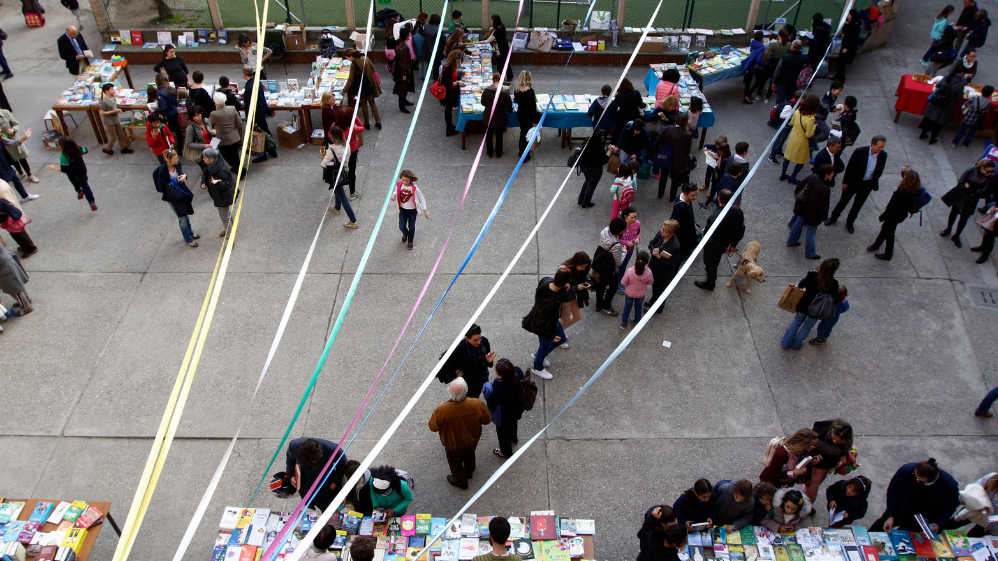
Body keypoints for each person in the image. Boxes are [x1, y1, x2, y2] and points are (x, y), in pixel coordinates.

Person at [428, 377, 492, 490]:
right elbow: (487, 420)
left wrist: (438, 408)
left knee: (455, 464)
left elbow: (433, 427)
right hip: (472, 441)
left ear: (450, 393)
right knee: (470, 456)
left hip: (453, 445)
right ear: (466, 392)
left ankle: (461, 482)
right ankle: (469, 472)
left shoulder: (442, 410)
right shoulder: (477, 404)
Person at [870, 459, 960, 532]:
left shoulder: (949, 486)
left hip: (922, 518)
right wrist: (891, 515)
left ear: (930, 482)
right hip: (900, 509)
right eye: (914, 475)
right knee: (880, 527)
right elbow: (893, 491)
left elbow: (951, 506)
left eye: (920, 480)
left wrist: (937, 523)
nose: (916, 479)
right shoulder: (907, 470)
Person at [826, 135, 888, 233]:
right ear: (872, 144)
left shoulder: (883, 155)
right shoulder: (860, 152)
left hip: (867, 184)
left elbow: (880, 170)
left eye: (883, 146)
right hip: (853, 182)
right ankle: (833, 217)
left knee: (858, 205)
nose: (881, 149)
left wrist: (874, 182)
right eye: (879, 146)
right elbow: (850, 167)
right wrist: (845, 183)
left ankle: (850, 222)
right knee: (844, 201)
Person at [523, 269, 573, 378]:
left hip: (551, 322)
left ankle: (539, 356)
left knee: (562, 339)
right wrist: (550, 336)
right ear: (564, 283)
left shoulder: (546, 281)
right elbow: (540, 322)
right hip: (545, 327)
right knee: (546, 345)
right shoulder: (551, 301)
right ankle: (537, 367)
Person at [781, 259, 840, 349]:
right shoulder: (834, 283)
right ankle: (796, 345)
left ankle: (785, 343)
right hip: (818, 308)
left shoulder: (813, 275)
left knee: (796, 322)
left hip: (804, 304)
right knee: (807, 327)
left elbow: (801, 284)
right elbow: (834, 299)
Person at [867, 166, 922, 260]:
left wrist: (883, 216)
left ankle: (888, 254)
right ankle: (877, 244)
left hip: (893, 216)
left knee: (889, 234)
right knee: (885, 229)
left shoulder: (902, 193)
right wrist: (904, 172)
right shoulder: (914, 190)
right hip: (900, 216)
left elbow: (892, 207)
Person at [695, 189, 745, 291]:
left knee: (710, 264)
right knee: (714, 261)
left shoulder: (714, 217)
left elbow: (708, 237)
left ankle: (710, 284)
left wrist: (722, 247)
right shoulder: (738, 211)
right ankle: (711, 272)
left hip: (714, 248)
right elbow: (741, 229)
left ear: (718, 198)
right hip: (725, 244)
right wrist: (733, 245)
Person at [285, 437, 348, 511]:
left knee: (328, 509)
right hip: (306, 486)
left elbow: (342, 463)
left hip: (326, 486)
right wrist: (291, 475)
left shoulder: (332, 449)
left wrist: (335, 482)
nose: (314, 463)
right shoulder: (294, 446)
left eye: (316, 461)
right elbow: (290, 458)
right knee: (313, 502)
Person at [942, 159, 994, 247]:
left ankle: (957, 235)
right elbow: (961, 182)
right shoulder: (971, 170)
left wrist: (969, 188)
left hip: (971, 200)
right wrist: (973, 190)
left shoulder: (989, 178)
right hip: (962, 196)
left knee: (964, 217)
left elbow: (983, 192)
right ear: (982, 168)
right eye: (988, 171)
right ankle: (948, 228)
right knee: (954, 212)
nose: (990, 173)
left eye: (992, 172)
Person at [153, 149, 199, 248]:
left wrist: (184, 177)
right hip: (172, 196)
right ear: (168, 160)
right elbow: (161, 188)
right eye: (175, 158)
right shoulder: (162, 171)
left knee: (185, 214)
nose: (178, 159)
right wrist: (175, 182)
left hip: (180, 193)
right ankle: (188, 239)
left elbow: (181, 174)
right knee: (182, 217)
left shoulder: (177, 165)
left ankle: (190, 232)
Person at [788, 165, 834, 260]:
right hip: (814, 214)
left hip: (803, 208)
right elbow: (824, 206)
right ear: (826, 175)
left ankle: (791, 241)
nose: (834, 174)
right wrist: (824, 218)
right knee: (811, 234)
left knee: (797, 224)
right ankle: (810, 254)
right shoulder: (825, 188)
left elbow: (799, 186)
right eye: (832, 173)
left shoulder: (812, 177)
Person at [440, 324, 495, 400]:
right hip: (468, 382)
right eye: (475, 340)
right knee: (470, 399)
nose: (479, 342)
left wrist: (489, 361)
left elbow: (488, 364)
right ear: (467, 338)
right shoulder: (459, 347)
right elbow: (443, 358)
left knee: (481, 396)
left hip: (482, 377)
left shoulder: (484, 341)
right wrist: (456, 371)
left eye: (480, 339)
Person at [484, 358, 524, 458]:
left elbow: (491, 403)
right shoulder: (516, 375)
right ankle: (514, 439)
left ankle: (505, 452)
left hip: (504, 415)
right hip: (516, 410)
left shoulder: (500, 389)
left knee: (503, 434)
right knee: (513, 425)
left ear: (499, 374)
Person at [919, 66, 970, 144]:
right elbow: (959, 97)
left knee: (929, 118)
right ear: (963, 73)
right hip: (947, 105)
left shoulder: (947, 77)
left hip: (937, 99)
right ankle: (933, 138)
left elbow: (938, 85)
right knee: (939, 122)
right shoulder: (961, 83)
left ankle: (923, 133)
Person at [45, 135, 95, 211]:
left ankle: (78, 190)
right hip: (82, 170)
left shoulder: (64, 157)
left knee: (72, 177)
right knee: (85, 185)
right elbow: (86, 150)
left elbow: (64, 170)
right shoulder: (79, 149)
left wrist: (53, 168)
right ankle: (91, 202)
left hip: (72, 173)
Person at [322, 126, 358, 229]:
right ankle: (337, 207)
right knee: (338, 190)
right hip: (344, 172)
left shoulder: (331, 149)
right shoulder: (346, 145)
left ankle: (353, 220)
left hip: (334, 176)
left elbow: (323, 164)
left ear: (332, 136)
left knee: (342, 196)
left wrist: (324, 157)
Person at [242, 65, 278, 162]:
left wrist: (253, 120)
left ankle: (262, 154)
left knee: (258, 135)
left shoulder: (249, 88)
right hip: (261, 111)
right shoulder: (257, 82)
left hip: (255, 115)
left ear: (244, 74)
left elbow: (250, 106)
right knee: (266, 131)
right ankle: (272, 149)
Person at [780, 95, 820, 184]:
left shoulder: (798, 110)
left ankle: (783, 174)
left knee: (788, 156)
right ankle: (793, 177)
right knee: (802, 160)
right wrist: (814, 127)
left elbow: (792, 122)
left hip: (794, 136)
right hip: (802, 140)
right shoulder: (811, 118)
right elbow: (808, 134)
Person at [645, 220, 681, 314]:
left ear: (672, 233)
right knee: (654, 287)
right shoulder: (660, 235)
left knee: (660, 291)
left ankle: (657, 308)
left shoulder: (675, 246)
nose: (662, 232)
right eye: (662, 229)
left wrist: (659, 257)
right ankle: (653, 300)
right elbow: (651, 244)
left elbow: (671, 263)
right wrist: (653, 250)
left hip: (664, 273)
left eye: (665, 231)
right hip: (654, 267)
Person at [593, 218, 626, 317]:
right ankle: (606, 307)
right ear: (619, 231)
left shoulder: (605, 231)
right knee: (613, 287)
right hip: (609, 268)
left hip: (600, 262)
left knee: (601, 285)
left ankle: (599, 304)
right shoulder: (616, 244)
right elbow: (619, 262)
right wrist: (624, 251)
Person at [199, 148, 235, 238]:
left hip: (223, 196)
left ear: (211, 159)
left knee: (224, 217)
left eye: (205, 157)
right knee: (227, 214)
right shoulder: (209, 165)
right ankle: (231, 228)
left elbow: (226, 185)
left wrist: (218, 182)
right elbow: (205, 174)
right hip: (219, 195)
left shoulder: (221, 171)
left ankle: (230, 234)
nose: (203, 159)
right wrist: (203, 182)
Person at [342, 49, 381, 131]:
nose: (347, 60)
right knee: (372, 103)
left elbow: (350, 80)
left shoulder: (353, 65)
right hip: (371, 84)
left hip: (362, 87)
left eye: (347, 58)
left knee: (364, 105)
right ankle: (378, 121)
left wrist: (344, 90)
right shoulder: (365, 58)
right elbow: (373, 69)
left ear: (351, 56)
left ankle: (367, 123)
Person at [657, 114, 693, 202]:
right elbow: (687, 149)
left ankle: (660, 194)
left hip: (667, 157)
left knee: (663, 177)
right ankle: (672, 197)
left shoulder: (668, 129)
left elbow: (658, 139)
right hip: (679, 160)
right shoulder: (687, 134)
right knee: (675, 181)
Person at [390, 170, 428, 249]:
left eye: (407, 180)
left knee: (411, 227)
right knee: (401, 226)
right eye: (403, 180)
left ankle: (410, 240)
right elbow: (396, 191)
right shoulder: (399, 185)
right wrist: (393, 195)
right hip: (403, 210)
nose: (404, 182)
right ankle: (405, 233)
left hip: (412, 211)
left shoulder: (414, 188)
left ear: (410, 179)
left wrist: (425, 210)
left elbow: (422, 198)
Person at [335, 107, 365, 201]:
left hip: (339, 151)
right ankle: (352, 193)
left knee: (342, 169)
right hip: (351, 151)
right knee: (351, 171)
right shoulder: (351, 129)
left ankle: (343, 184)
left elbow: (329, 135)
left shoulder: (334, 127)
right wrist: (355, 117)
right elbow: (362, 127)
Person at [0, 110, 38, 183]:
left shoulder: (5, 113)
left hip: (13, 138)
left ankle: (29, 174)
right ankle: (20, 173)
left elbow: (16, 124)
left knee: (21, 157)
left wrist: (13, 130)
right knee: (13, 159)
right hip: (4, 142)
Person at [211, 93, 244, 174]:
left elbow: (210, 123)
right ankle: (237, 168)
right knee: (235, 154)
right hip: (234, 137)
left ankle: (240, 170)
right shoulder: (232, 108)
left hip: (222, 139)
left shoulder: (214, 114)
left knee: (227, 157)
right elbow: (239, 123)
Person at [97, 83, 134, 156]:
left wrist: (118, 110)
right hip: (109, 122)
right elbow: (102, 113)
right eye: (111, 89)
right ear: (106, 91)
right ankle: (108, 149)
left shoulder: (113, 99)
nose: (113, 90)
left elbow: (114, 108)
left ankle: (123, 148)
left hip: (116, 120)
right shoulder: (104, 102)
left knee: (121, 135)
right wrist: (113, 111)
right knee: (113, 137)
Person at [481, 72, 512, 158]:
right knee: (499, 136)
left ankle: (489, 151)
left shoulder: (486, 91)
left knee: (489, 135)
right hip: (499, 119)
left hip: (488, 117)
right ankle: (499, 152)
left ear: (493, 80)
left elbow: (483, 103)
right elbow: (509, 108)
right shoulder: (505, 93)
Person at [619, 251, 652, 329]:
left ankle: (623, 323)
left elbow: (623, 282)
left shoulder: (630, 271)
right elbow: (650, 282)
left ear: (635, 259)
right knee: (638, 307)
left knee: (627, 306)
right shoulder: (649, 272)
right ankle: (637, 321)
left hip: (629, 293)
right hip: (641, 294)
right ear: (647, 262)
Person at [0, 234, 30, 317]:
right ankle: (27, 299)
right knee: (18, 283)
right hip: (7, 260)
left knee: (14, 289)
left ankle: (26, 307)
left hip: (3, 267)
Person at [577, 130, 609, 207]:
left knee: (587, 182)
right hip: (595, 170)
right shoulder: (599, 149)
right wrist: (609, 151)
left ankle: (580, 199)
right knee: (591, 186)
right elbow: (604, 160)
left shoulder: (586, 142)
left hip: (584, 167)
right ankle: (585, 203)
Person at [771, 40, 809, 105]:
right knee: (791, 104)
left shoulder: (785, 58)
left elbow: (777, 71)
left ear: (792, 47)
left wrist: (774, 82)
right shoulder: (805, 59)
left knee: (780, 104)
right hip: (796, 85)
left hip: (783, 83)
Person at [513, 71, 539, 161]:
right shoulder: (530, 91)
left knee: (523, 133)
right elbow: (532, 107)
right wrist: (535, 120)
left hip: (521, 114)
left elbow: (516, 101)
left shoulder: (516, 89)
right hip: (528, 116)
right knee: (526, 135)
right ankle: (525, 155)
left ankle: (522, 152)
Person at [760, 28, 792, 102]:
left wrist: (765, 62)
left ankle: (758, 94)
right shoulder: (789, 45)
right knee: (773, 81)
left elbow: (767, 55)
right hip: (781, 64)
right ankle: (767, 97)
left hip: (772, 63)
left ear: (779, 35)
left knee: (764, 79)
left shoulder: (774, 44)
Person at [670, 183, 699, 261]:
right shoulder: (681, 207)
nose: (695, 197)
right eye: (692, 195)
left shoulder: (683, 198)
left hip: (687, 226)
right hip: (683, 231)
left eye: (696, 194)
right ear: (686, 193)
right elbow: (674, 219)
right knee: (684, 244)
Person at [615, 207, 641, 288]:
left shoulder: (637, 223)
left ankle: (620, 282)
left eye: (635, 217)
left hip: (629, 250)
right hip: (619, 250)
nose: (634, 219)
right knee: (618, 267)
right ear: (626, 216)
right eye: (632, 217)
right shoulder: (621, 225)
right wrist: (626, 242)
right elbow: (615, 238)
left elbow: (638, 233)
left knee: (623, 267)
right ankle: (617, 283)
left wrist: (637, 238)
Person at [478, 15, 511, 80]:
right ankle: (509, 76)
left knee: (500, 63)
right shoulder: (502, 26)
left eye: (492, 20)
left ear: (495, 22)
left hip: (500, 49)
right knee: (505, 62)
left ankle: (501, 77)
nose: (491, 21)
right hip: (505, 46)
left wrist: (476, 42)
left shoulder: (497, 31)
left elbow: (488, 40)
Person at [833, 11, 862, 83]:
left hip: (848, 48)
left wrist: (847, 48)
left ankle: (841, 79)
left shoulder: (856, 27)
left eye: (849, 15)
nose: (848, 16)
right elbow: (844, 31)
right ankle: (837, 76)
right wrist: (846, 23)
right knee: (839, 62)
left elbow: (853, 39)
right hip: (844, 45)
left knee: (842, 62)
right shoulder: (850, 24)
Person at [811, 81, 842, 148]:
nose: (839, 92)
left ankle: (810, 146)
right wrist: (835, 108)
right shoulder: (827, 97)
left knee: (816, 134)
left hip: (821, 118)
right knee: (827, 133)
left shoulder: (833, 96)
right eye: (838, 91)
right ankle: (811, 143)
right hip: (818, 118)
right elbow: (825, 109)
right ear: (833, 89)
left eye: (840, 91)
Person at [183, 105, 214, 172]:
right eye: (194, 116)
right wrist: (204, 146)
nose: (197, 118)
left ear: (201, 113)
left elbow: (211, 132)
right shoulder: (191, 127)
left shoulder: (206, 121)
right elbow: (188, 143)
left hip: (212, 149)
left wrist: (215, 132)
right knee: (207, 171)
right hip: (202, 154)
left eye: (198, 115)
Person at [156, 74, 182, 151]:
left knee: (168, 132)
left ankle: (170, 147)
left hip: (167, 115)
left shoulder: (160, 93)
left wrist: (156, 110)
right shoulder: (173, 89)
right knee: (177, 130)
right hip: (174, 112)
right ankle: (180, 146)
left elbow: (164, 108)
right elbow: (175, 103)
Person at [440, 50, 463, 137]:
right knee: (448, 110)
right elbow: (446, 83)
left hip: (451, 91)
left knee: (448, 110)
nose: (458, 61)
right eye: (458, 60)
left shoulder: (450, 66)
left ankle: (450, 127)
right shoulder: (448, 67)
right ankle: (449, 129)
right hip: (449, 92)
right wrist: (458, 83)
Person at [393, 27, 414, 113]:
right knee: (402, 89)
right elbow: (403, 63)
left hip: (405, 70)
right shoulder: (403, 47)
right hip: (403, 71)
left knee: (404, 88)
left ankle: (404, 101)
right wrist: (404, 74)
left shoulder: (402, 45)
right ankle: (402, 106)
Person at [742, 31, 767, 104]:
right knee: (758, 81)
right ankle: (748, 96)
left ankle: (746, 96)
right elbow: (759, 59)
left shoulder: (753, 42)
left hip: (750, 64)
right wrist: (763, 64)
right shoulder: (762, 47)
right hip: (754, 66)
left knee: (748, 80)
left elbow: (751, 51)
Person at [419, 15, 439, 81]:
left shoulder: (426, 27)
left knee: (423, 63)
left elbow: (421, 31)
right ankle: (426, 76)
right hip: (432, 48)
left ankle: (422, 76)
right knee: (428, 64)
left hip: (425, 47)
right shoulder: (437, 30)